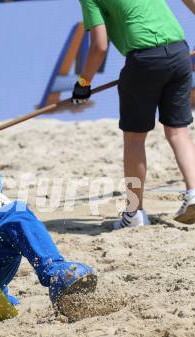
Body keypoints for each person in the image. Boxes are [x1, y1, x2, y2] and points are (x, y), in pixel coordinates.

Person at [73, 0, 195, 229]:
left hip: (145, 60)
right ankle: (194, 193)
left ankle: (134, 213)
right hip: (179, 52)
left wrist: (84, 82)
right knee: (178, 132)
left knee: (134, 138)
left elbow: (99, 46)